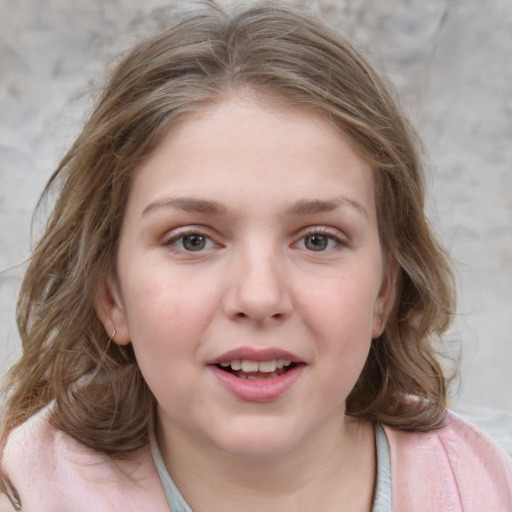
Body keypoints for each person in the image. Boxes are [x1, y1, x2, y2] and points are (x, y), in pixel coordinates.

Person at [1, 2, 511, 511]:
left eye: (317, 240)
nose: (260, 296)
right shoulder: (25, 496)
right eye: (192, 240)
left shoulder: (486, 492)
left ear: (384, 290)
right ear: (111, 296)